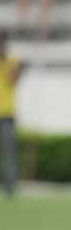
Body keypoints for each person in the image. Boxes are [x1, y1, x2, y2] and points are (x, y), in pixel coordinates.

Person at [0, 30, 24, 197]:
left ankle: (10, 189)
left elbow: (14, 80)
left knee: (9, 154)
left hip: (7, 114)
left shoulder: (12, 61)